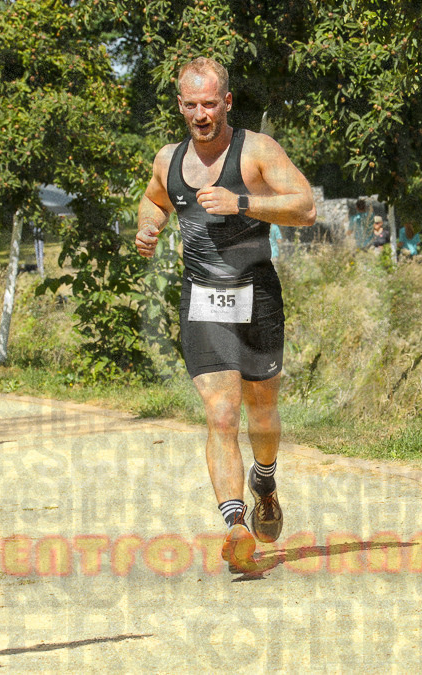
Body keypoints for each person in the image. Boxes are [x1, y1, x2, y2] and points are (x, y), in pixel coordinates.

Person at [134, 57, 316, 572]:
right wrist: (148, 227)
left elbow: (304, 207)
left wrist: (241, 201)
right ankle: (236, 526)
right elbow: (154, 202)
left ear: (227, 102)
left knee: (261, 411)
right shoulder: (168, 159)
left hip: (256, 298)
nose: (200, 114)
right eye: (191, 104)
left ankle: (265, 477)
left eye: (209, 103)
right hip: (202, 299)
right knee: (220, 412)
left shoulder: (256, 150)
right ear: (179, 105)